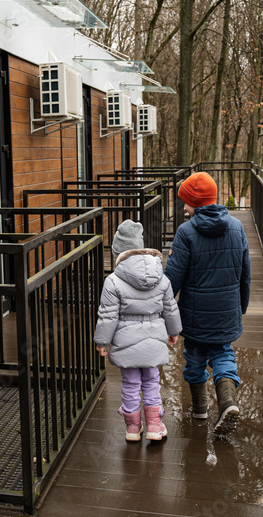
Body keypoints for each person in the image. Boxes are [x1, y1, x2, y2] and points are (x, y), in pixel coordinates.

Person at [164, 172, 251, 433]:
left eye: (186, 202)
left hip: (194, 315)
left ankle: (200, 409)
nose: (184, 207)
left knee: (194, 357)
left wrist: (165, 315)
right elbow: (245, 274)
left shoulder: (185, 232)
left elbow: (172, 280)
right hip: (227, 312)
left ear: (196, 202)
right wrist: (240, 307)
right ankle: (227, 403)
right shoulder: (237, 227)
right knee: (223, 353)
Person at [94, 219, 182, 441]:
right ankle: (154, 425)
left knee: (131, 384)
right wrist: (174, 331)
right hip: (154, 340)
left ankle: (133, 429)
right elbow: (170, 308)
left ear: (117, 253)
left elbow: (108, 315)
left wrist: (102, 341)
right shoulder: (161, 277)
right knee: (152, 381)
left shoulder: (112, 281)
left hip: (126, 343)